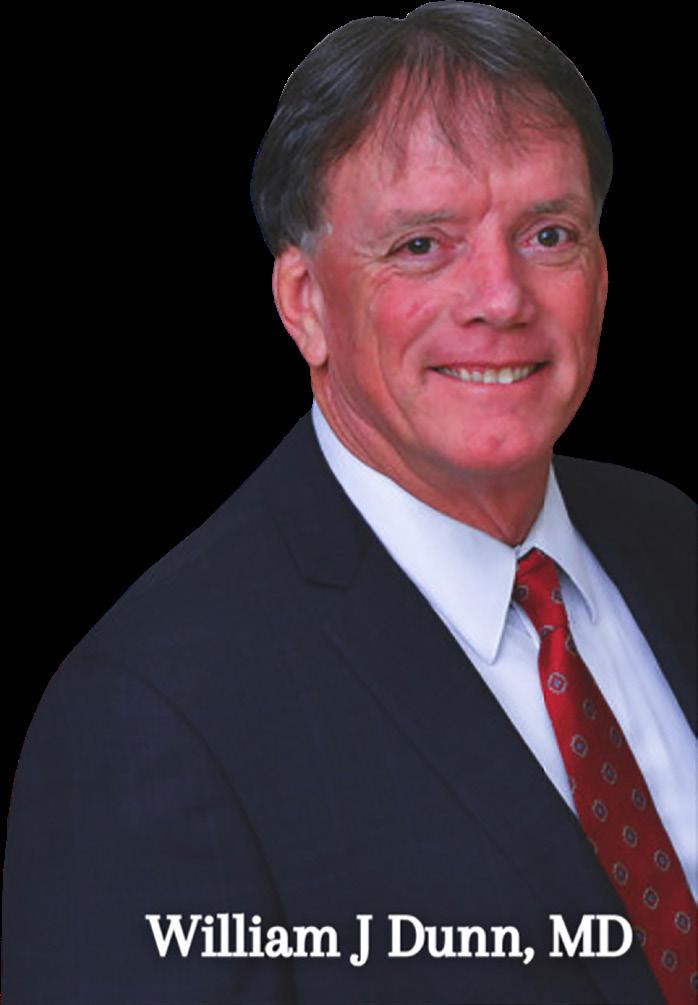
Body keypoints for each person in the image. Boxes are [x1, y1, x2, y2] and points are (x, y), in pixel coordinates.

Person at [4, 4, 696, 1003]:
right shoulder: (149, 716)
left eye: (549, 234)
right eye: (421, 245)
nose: (501, 298)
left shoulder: (674, 541)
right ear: (304, 303)